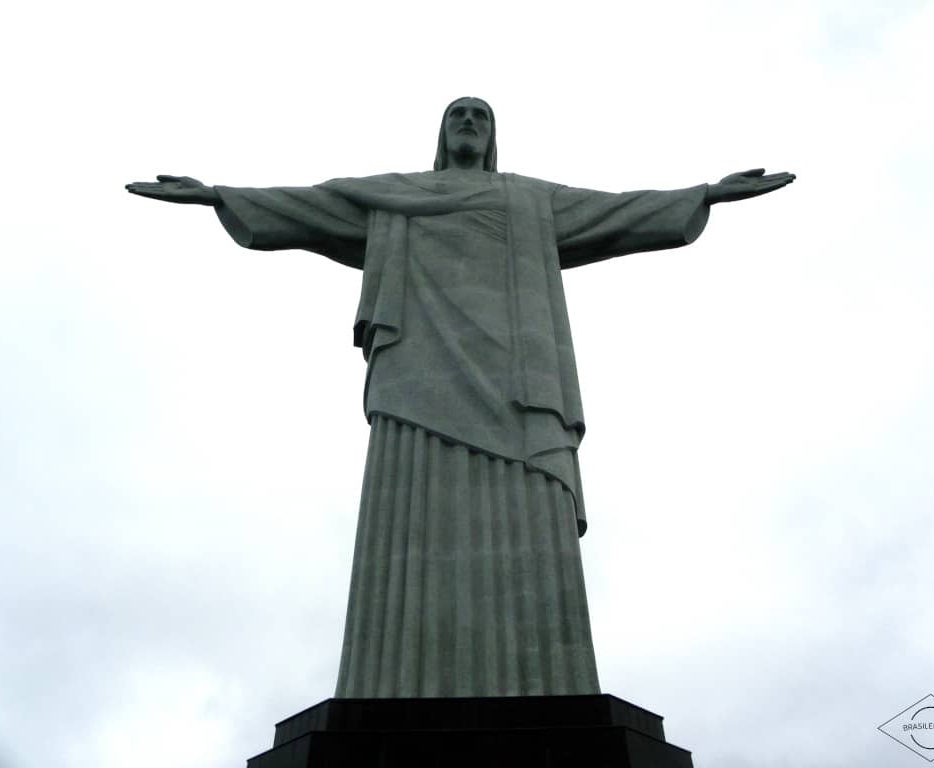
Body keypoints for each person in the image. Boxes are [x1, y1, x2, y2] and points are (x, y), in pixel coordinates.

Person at [127, 97, 795, 699]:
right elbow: (309, 206)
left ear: (493, 137)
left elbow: (618, 212)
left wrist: (707, 194)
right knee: (410, 510)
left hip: (518, 387)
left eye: (481, 116)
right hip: (416, 376)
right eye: (458, 115)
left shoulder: (529, 199)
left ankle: (545, 688)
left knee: (529, 510)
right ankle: (390, 686)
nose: (469, 123)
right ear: (442, 134)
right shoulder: (394, 196)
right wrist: (216, 196)